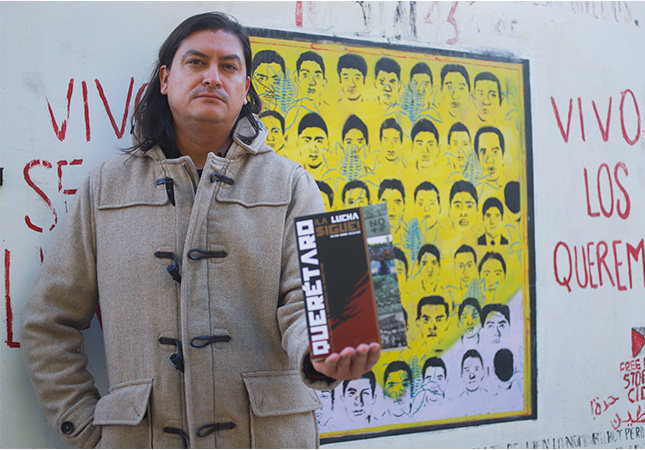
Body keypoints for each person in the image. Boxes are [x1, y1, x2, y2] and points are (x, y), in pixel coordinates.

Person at [20, 12, 379, 449]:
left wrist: (326, 349)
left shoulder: (290, 184)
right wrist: (88, 432)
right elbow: (47, 322)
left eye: (228, 66)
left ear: (245, 88)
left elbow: (305, 301)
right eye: (196, 62)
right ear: (166, 79)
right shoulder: (106, 188)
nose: (212, 77)